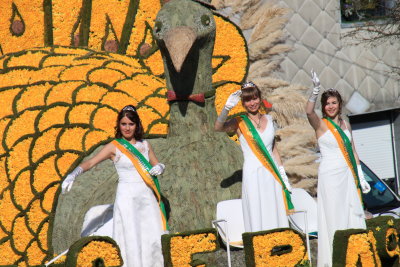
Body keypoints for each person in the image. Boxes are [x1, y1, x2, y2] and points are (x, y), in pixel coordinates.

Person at [61, 105, 167, 267]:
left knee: (151, 233)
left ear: (137, 125)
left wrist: (160, 167)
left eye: (131, 124)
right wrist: (73, 174)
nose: (127, 128)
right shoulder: (114, 146)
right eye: (123, 124)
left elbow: (156, 162)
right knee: (130, 234)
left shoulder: (144, 144)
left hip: (146, 196)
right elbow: (91, 162)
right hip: (127, 197)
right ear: (118, 125)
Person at [305, 70, 371, 267]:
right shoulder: (320, 125)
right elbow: (309, 111)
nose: (331, 106)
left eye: (334, 102)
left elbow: (353, 151)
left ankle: (356, 256)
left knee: (352, 212)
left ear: (339, 104)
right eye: (327, 103)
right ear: (323, 106)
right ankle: (337, 258)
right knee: (334, 214)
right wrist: (315, 91)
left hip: (348, 175)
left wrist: (361, 176)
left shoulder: (346, 124)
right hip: (330, 176)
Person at [215, 82, 293, 232]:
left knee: (274, 208)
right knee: (257, 210)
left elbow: (274, 149)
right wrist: (226, 109)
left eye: (255, 98)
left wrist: (283, 174)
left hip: (272, 173)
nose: (253, 103)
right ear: (243, 103)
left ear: (259, 98)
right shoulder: (239, 122)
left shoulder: (269, 120)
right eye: (248, 100)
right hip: (253, 173)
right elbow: (218, 128)